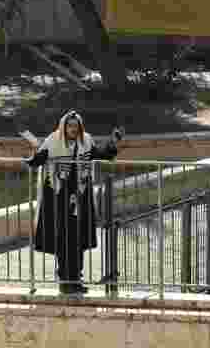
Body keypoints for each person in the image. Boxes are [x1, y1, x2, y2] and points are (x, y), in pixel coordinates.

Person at [25, 110, 123, 295]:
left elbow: (101, 154)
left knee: (78, 240)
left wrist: (113, 141)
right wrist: (32, 154)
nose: (73, 129)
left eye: (76, 126)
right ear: (64, 126)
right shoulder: (53, 141)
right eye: (70, 126)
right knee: (63, 240)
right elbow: (38, 160)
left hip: (81, 196)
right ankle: (64, 280)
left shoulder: (86, 141)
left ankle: (77, 279)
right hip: (58, 199)